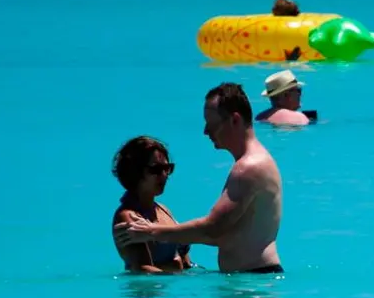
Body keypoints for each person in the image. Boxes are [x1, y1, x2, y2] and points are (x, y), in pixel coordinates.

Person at [113, 83, 284, 274]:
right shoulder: (256, 162)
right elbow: (225, 235)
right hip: (253, 277)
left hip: (253, 280)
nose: (206, 131)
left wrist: (150, 232)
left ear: (235, 120)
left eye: (212, 124)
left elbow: (213, 228)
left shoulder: (249, 167)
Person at [109, 136, 191, 273]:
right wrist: (176, 269)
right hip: (150, 293)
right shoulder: (128, 217)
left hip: (173, 288)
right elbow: (143, 270)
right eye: (156, 170)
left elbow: (184, 260)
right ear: (135, 172)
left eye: (167, 168)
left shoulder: (163, 210)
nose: (164, 175)